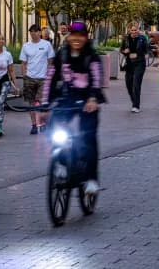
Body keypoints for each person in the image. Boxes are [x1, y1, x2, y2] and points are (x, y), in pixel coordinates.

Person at [39, 21, 105, 196]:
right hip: (67, 100)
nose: (76, 39)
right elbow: (50, 79)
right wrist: (45, 105)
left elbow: (96, 80)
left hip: (87, 102)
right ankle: (61, 163)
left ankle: (91, 178)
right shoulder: (62, 55)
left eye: (81, 36)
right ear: (68, 37)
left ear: (85, 37)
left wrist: (92, 98)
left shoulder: (91, 56)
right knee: (52, 128)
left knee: (88, 138)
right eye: (73, 35)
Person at [19, 23, 55, 135]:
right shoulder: (26, 46)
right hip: (30, 78)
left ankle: (43, 124)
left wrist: (49, 75)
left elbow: (50, 61)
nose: (33, 33)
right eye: (31, 31)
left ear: (40, 32)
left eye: (35, 31)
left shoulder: (46, 45)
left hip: (43, 79)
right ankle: (34, 125)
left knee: (40, 102)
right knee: (31, 103)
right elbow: (23, 63)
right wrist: (25, 75)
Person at [119, 22, 150, 113]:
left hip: (140, 63)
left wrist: (147, 54)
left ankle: (136, 105)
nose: (134, 32)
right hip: (129, 64)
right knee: (129, 84)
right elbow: (121, 49)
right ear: (129, 30)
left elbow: (147, 49)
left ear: (138, 30)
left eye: (135, 30)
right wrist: (125, 51)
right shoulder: (126, 39)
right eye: (132, 30)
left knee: (136, 83)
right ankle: (134, 100)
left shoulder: (142, 39)